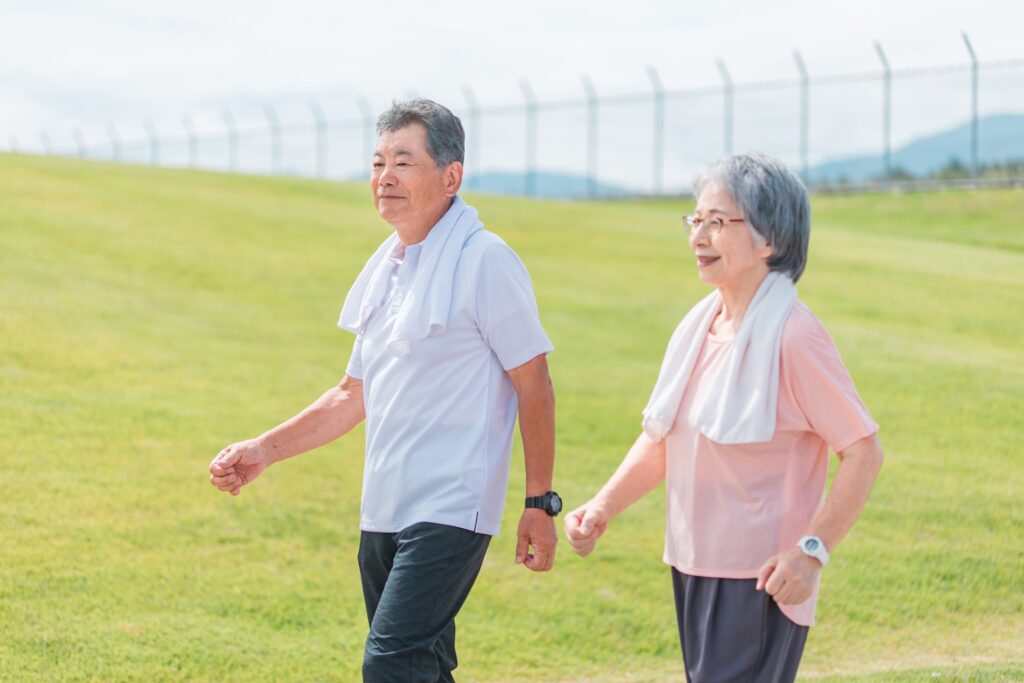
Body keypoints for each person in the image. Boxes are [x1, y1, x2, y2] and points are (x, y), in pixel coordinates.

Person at [208, 99, 561, 682]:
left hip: (451, 506)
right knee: (421, 667)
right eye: (377, 163)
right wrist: (263, 450)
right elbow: (352, 395)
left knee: (390, 664)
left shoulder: (486, 261)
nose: (385, 177)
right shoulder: (388, 271)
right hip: (384, 506)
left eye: (403, 161)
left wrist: (539, 503)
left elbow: (534, 383)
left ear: (451, 177)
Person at [564, 153, 884, 682]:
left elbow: (863, 451)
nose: (698, 236)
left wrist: (811, 553)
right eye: (695, 219)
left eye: (717, 222)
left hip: (761, 579)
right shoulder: (700, 326)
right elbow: (665, 437)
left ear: (769, 239)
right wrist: (604, 505)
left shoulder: (794, 337)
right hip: (693, 565)